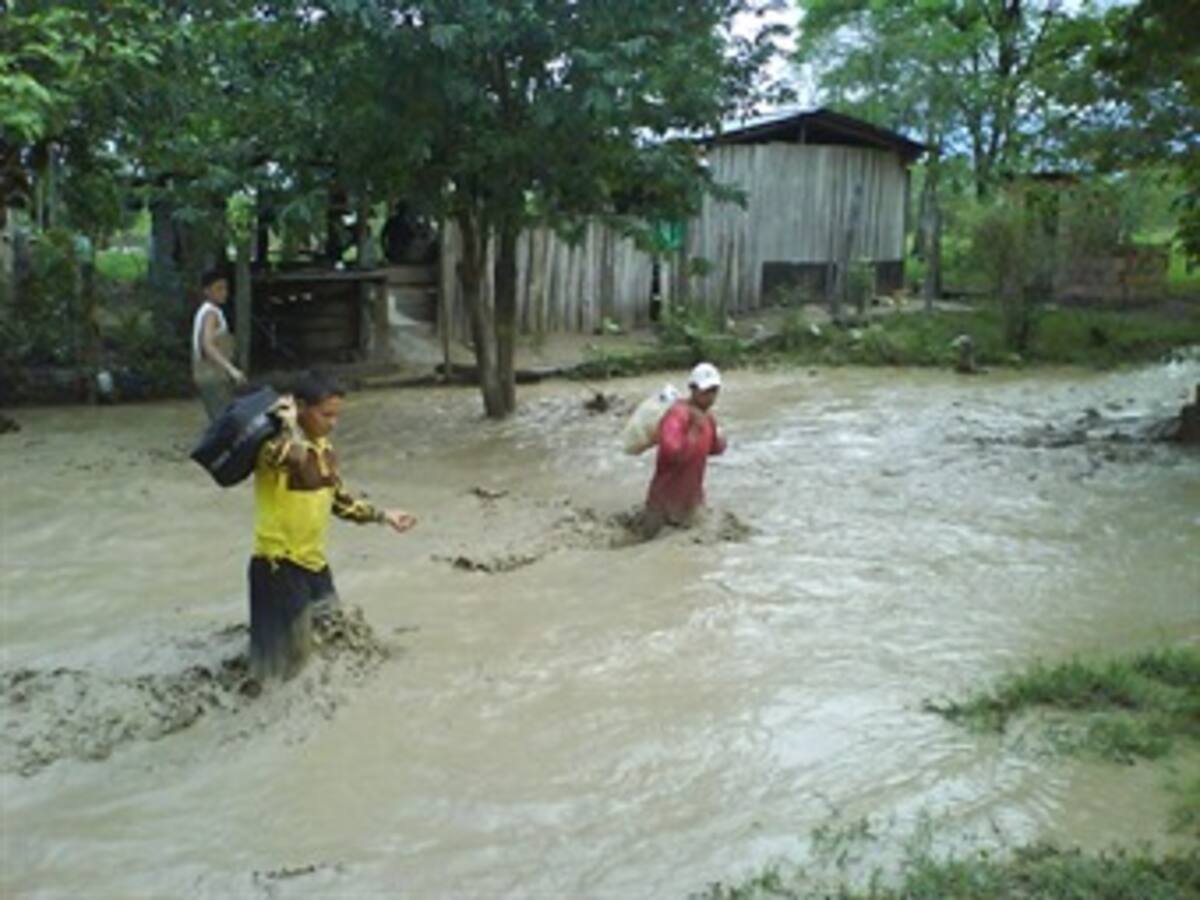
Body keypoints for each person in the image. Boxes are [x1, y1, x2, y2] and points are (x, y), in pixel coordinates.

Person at [249, 370, 416, 680]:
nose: (333, 423)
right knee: (280, 668)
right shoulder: (271, 446)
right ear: (300, 407)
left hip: (314, 564)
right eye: (326, 414)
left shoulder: (324, 450)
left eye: (337, 415)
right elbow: (292, 458)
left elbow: (340, 501)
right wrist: (286, 423)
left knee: (334, 638)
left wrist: (383, 515)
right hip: (277, 566)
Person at [641, 361, 727, 537]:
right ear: (693, 389)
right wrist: (694, 430)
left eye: (714, 391)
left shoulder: (708, 418)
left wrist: (719, 437)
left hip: (692, 500)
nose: (710, 396)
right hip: (663, 504)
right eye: (705, 391)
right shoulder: (677, 415)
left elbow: (716, 449)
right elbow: (671, 452)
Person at [191, 270, 246, 420]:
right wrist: (231, 369)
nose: (224, 293)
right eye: (219, 288)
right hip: (213, 375)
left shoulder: (208, 311)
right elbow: (208, 345)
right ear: (207, 291)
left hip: (210, 374)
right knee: (223, 420)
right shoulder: (211, 313)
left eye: (225, 288)